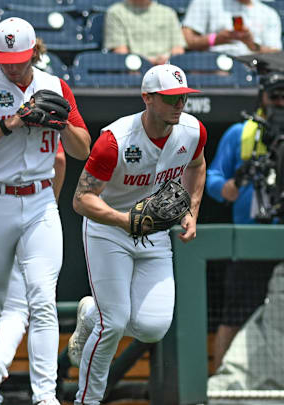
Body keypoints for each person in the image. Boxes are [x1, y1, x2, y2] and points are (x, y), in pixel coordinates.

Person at [0, 17, 91, 405]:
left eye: (18, 58)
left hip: (39, 200)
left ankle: (45, 396)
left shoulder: (55, 85)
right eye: (4, 58)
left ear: (34, 52)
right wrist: (10, 123)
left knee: (42, 300)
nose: (11, 65)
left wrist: (61, 121)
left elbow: (83, 148)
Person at [69, 64, 207, 405]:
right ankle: (87, 400)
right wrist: (123, 220)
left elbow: (197, 165)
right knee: (113, 323)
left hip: (154, 233)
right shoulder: (114, 141)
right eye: (170, 98)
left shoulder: (192, 131)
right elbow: (81, 199)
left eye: (183, 98)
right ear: (147, 97)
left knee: (153, 327)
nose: (179, 105)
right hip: (107, 231)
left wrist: (192, 210)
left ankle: (90, 313)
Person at [204, 71, 284, 370]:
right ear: (262, 97)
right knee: (234, 316)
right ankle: (221, 389)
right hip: (251, 241)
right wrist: (231, 187)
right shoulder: (241, 133)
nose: (280, 103)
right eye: (275, 96)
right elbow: (213, 178)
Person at [182, 0, 281, 56]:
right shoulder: (205, 2)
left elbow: (275, 54)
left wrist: (251, 44)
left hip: (253, 68)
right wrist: (215, 39)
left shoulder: (269, 14)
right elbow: (184, 41)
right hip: (213, 65)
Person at [104, 0, 185, 65]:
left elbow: (178, 50)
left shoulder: (168, 13)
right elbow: (121, 53)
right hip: (135, 72)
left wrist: (167, 63)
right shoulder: (116, 13)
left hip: (167, 71)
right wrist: (149, 63)